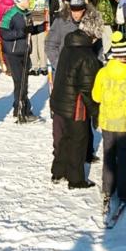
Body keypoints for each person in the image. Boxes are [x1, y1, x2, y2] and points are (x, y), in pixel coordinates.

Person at [92, 31, 126, 208]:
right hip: (125, 123)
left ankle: (108, 188)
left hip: (108, 121)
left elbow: (95, 96)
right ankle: (125, 192)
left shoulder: (102, 72)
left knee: (109, 155)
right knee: (124, 157)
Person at [50, 29, 104, 189]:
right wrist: (95, 111)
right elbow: (88, 89)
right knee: (78, 141)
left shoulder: (68, 49)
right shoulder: (87, 57)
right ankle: (76, 179)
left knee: (65, 138)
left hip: (60, 101)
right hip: (76, 106)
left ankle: (58, 171)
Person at [0, 0, 37, 124]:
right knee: (20, 83)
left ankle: (21, 108)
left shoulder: (27, 13)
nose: (29, 2)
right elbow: (3, 33)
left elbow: (29, 30)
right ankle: (22, 111)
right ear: (20, 1)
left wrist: (41, 27)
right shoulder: (12, 14)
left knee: (24, 82)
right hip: (14, 52)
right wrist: (21, 33)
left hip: (25, 50)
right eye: (27, 0)